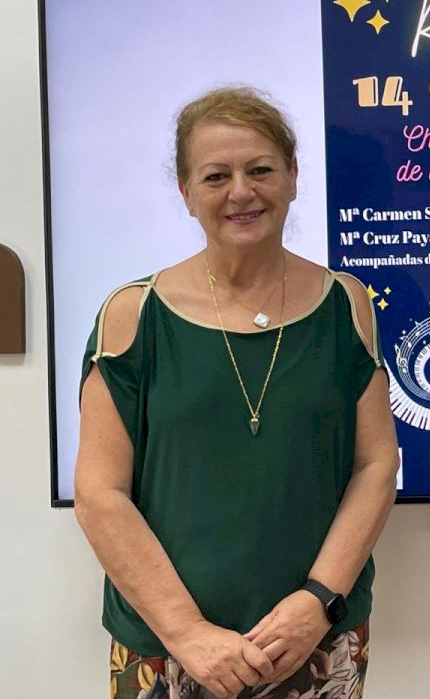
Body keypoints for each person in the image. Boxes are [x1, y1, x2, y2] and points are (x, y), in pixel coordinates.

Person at [75, 86, 400, 699]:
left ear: (293, 176)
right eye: (216, 176)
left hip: (317, 643)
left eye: (261, 170)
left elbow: (376, 465)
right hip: (164, 650)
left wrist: (318, 602)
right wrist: (188, 631)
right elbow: (99, 494)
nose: (242, 192)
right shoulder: (132, 316)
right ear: (186, 191)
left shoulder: (346, 306)